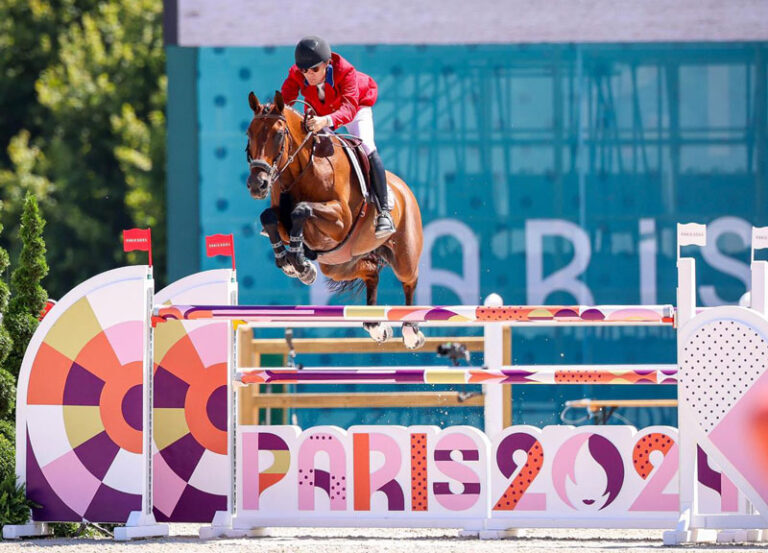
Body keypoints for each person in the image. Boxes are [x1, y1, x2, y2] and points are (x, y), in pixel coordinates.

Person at [281, 36, 395, 239]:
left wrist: (325, 121)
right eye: (304, 71)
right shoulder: (297, 73)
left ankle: (384, 211)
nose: (309, 76)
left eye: (315, 70)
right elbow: (285, 102)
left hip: (355, 109)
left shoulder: (345, 71)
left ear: (327, 64)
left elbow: (349, 109)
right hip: (320, 110)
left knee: (367, 146)